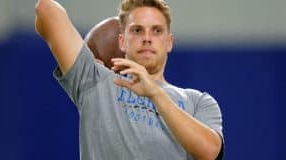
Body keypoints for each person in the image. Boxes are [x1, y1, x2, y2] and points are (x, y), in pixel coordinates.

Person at [35, 0, 224, 159]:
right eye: (137, 30)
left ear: (169, 42)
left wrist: (154, 92)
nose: (147, 38)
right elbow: (46, 9)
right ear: (122, 41)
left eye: (157, 31)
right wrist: (85, 56)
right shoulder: (96, 80)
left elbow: (209, 152)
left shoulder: (198, 101)